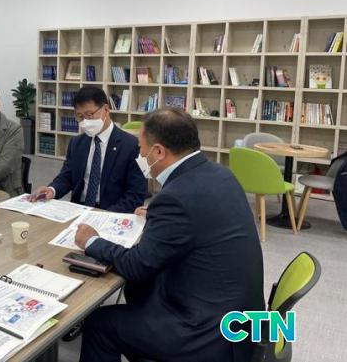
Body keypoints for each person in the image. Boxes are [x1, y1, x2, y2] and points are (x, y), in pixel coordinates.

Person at [74, 108, 264, 362]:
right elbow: (200, 216)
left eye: (141, 149)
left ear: (159, 152)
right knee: (140, 290)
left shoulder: (175, 197)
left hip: (209, 332)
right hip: (242, 319)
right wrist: (160, 217)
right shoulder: (220, 173)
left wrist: (91, 241)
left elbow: (137, 266)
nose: (140, 156)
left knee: (100, 323)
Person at [31, 86, 147, 213]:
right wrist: (52, 190)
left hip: (111, 212)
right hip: (78, 209)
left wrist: (104, 215)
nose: (85, 121)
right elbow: (67, 176)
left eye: (89, 115)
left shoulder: (131, 146)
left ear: (106, 109)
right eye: (80, 116)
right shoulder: (77, 143)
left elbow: (135, 195)